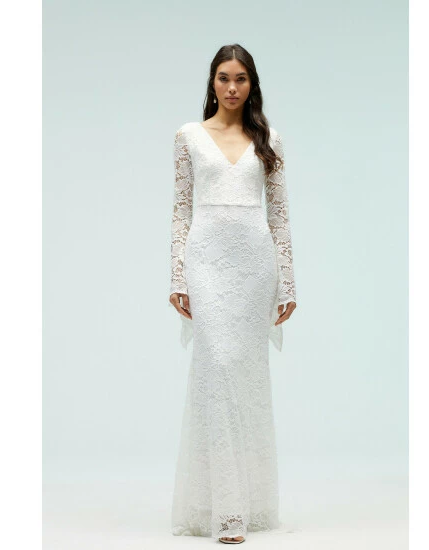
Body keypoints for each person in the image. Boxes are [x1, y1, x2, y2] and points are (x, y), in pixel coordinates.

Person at [168, 43, 297, 544]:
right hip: (205, 263)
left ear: (251, 84)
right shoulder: (188, 136)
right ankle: (223, 510)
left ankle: (246, 502)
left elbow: (279, 216)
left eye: (241, 78)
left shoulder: (270, 140)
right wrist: (177, 277)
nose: (232, 87)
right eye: (224, 77)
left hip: (254, 268)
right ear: (212, 82)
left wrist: (287, 282)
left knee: (245, 379)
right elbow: (180, 210)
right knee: (215, 369)